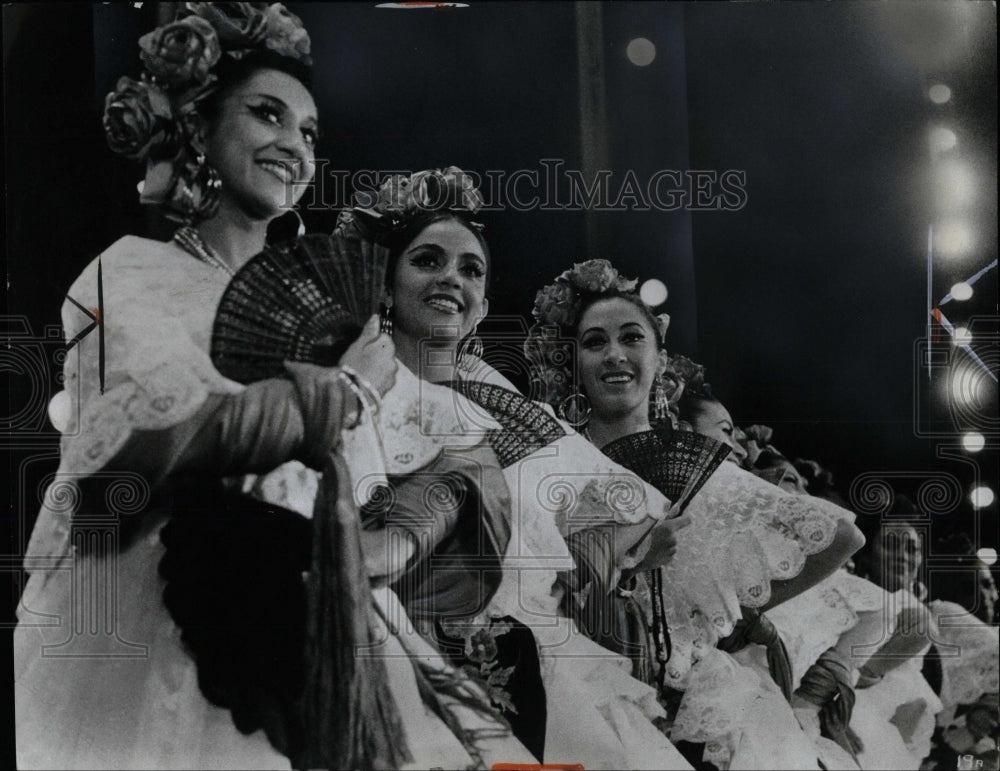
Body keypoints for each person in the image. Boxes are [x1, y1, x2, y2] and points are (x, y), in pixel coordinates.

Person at [15, 9, 532, 770]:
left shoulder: (326, 317)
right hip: (160, 599)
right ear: (198, 128)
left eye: (312, 132)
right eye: (267, 113)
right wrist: (344, 388)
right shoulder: (126, 272)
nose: (295, 144)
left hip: (302, 608)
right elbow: (156, 443)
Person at [338, 168, 698, 769]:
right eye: (429, 261)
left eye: (471, 270)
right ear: (383, 282)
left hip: (521, 660)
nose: (452, 278)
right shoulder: (354, 385)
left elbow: (600, 528)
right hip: (389, 653)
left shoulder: (496, 401)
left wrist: (616, 559)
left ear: (481, 304)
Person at [525, 259, 867, 769]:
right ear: (574, 363)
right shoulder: (553, 460)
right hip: (578, 691)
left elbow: (843, 536)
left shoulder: (707, 474)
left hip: (686, 712)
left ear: (660, 360)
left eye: (632, 338)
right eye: (595, 342)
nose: (615, 354)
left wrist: (743, 610)